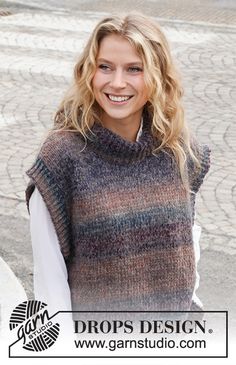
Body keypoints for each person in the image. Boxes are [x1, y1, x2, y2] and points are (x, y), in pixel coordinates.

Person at [25, 13, 210, 316]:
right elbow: (49, 284)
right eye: (105, 67)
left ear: (158, 76)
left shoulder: (180, 151)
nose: (118, 82)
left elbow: (187, 247)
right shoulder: (62, 159)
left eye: (134, 69)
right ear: (89, 72)